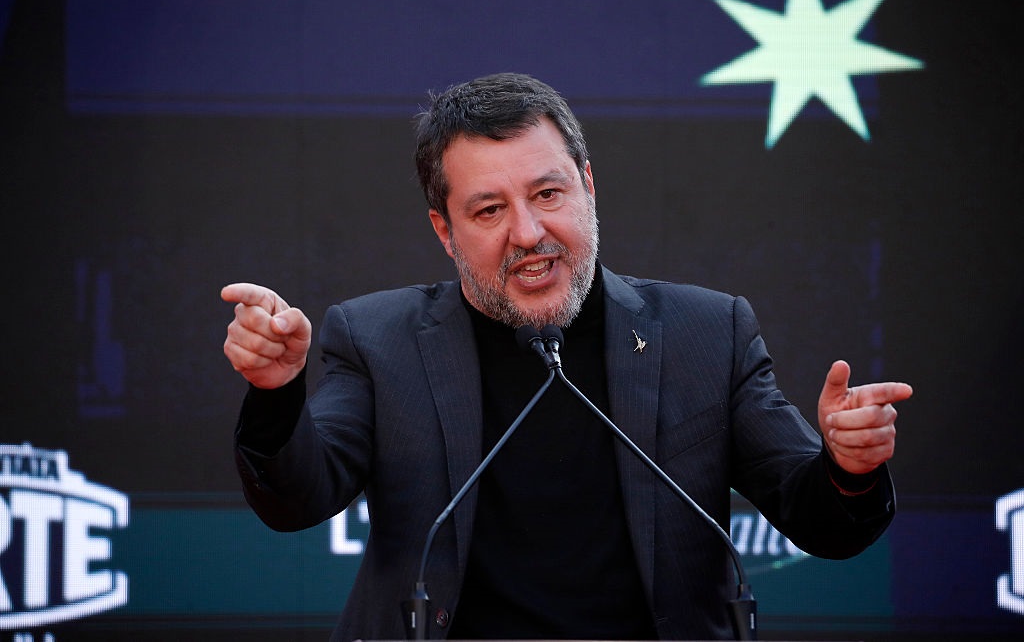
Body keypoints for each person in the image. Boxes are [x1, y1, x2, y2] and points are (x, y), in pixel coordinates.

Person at [221, 72, 911, 641]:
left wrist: (848, 468)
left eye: (548, 194)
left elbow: (819, 518)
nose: (528, 233)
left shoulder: (708, 333)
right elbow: (298, 497)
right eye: (489, 210)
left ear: (588, 186)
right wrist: (278, 393)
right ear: (445, 230)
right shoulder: (378, 339)